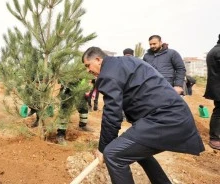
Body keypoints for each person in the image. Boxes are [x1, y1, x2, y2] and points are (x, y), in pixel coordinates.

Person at [82, 46, 204, 184]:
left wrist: (103, 148)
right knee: (135, 151)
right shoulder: (124, 62)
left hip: (165, 119)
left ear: (98, 60)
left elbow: (112, 114)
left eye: (88, 65)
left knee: (113, 155)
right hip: (173, 115)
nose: (88, 70)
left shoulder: (107, 73)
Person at [56, 79, 93, 145]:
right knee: (65, 111)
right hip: (68, 87)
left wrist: (86, 86)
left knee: (83, 107)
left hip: (81, 88)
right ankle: (60, 134)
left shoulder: (84, 69)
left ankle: (83, 125)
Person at [204, 34, 220, 150]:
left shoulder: (214, 50)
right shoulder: (218, 51)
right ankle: (214, 138)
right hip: (218, 87)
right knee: (218, 112)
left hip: (216, 87)